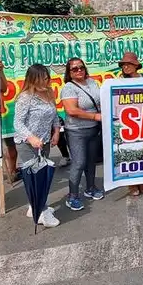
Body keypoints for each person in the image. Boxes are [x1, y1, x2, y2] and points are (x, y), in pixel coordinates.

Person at [13, 64, 63, 228]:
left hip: (45, 142)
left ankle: (34, 207)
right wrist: (31, 137)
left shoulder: (48, 93)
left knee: (42, 175)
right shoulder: (25, 98)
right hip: (27, 144)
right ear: (32, 80)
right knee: (36, 179)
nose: (44, 83)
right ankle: (43, 212)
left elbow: (55, 115)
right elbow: (18, 123)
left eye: (46, 79)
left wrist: (56, 132)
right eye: (40, 80)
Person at [58, 57, 108, 206]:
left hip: (94, 129)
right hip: (76, 131)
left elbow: (101, 100)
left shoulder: (92, 82)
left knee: (91, 161)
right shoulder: (68, 88)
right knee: (79, 163)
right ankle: (72, 196)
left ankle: (90, 188)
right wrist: (95, 116)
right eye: (74, 69)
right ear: (69, 72)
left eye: (81, 67)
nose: (79, 70)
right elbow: (71, 110)